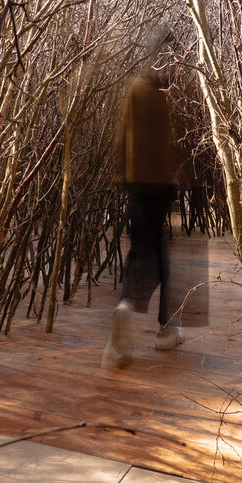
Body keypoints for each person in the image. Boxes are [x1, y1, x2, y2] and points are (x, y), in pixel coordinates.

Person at [102, 64, 182, 369]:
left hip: (136, 186)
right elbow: (171, 147)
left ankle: (127, 311)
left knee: (139, 254)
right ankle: (163, 328)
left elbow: (121, 137)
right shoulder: (163, 97)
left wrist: (122, 179)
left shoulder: (134, 90)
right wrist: (174, 184)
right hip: (159, 187)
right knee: (161, 259)